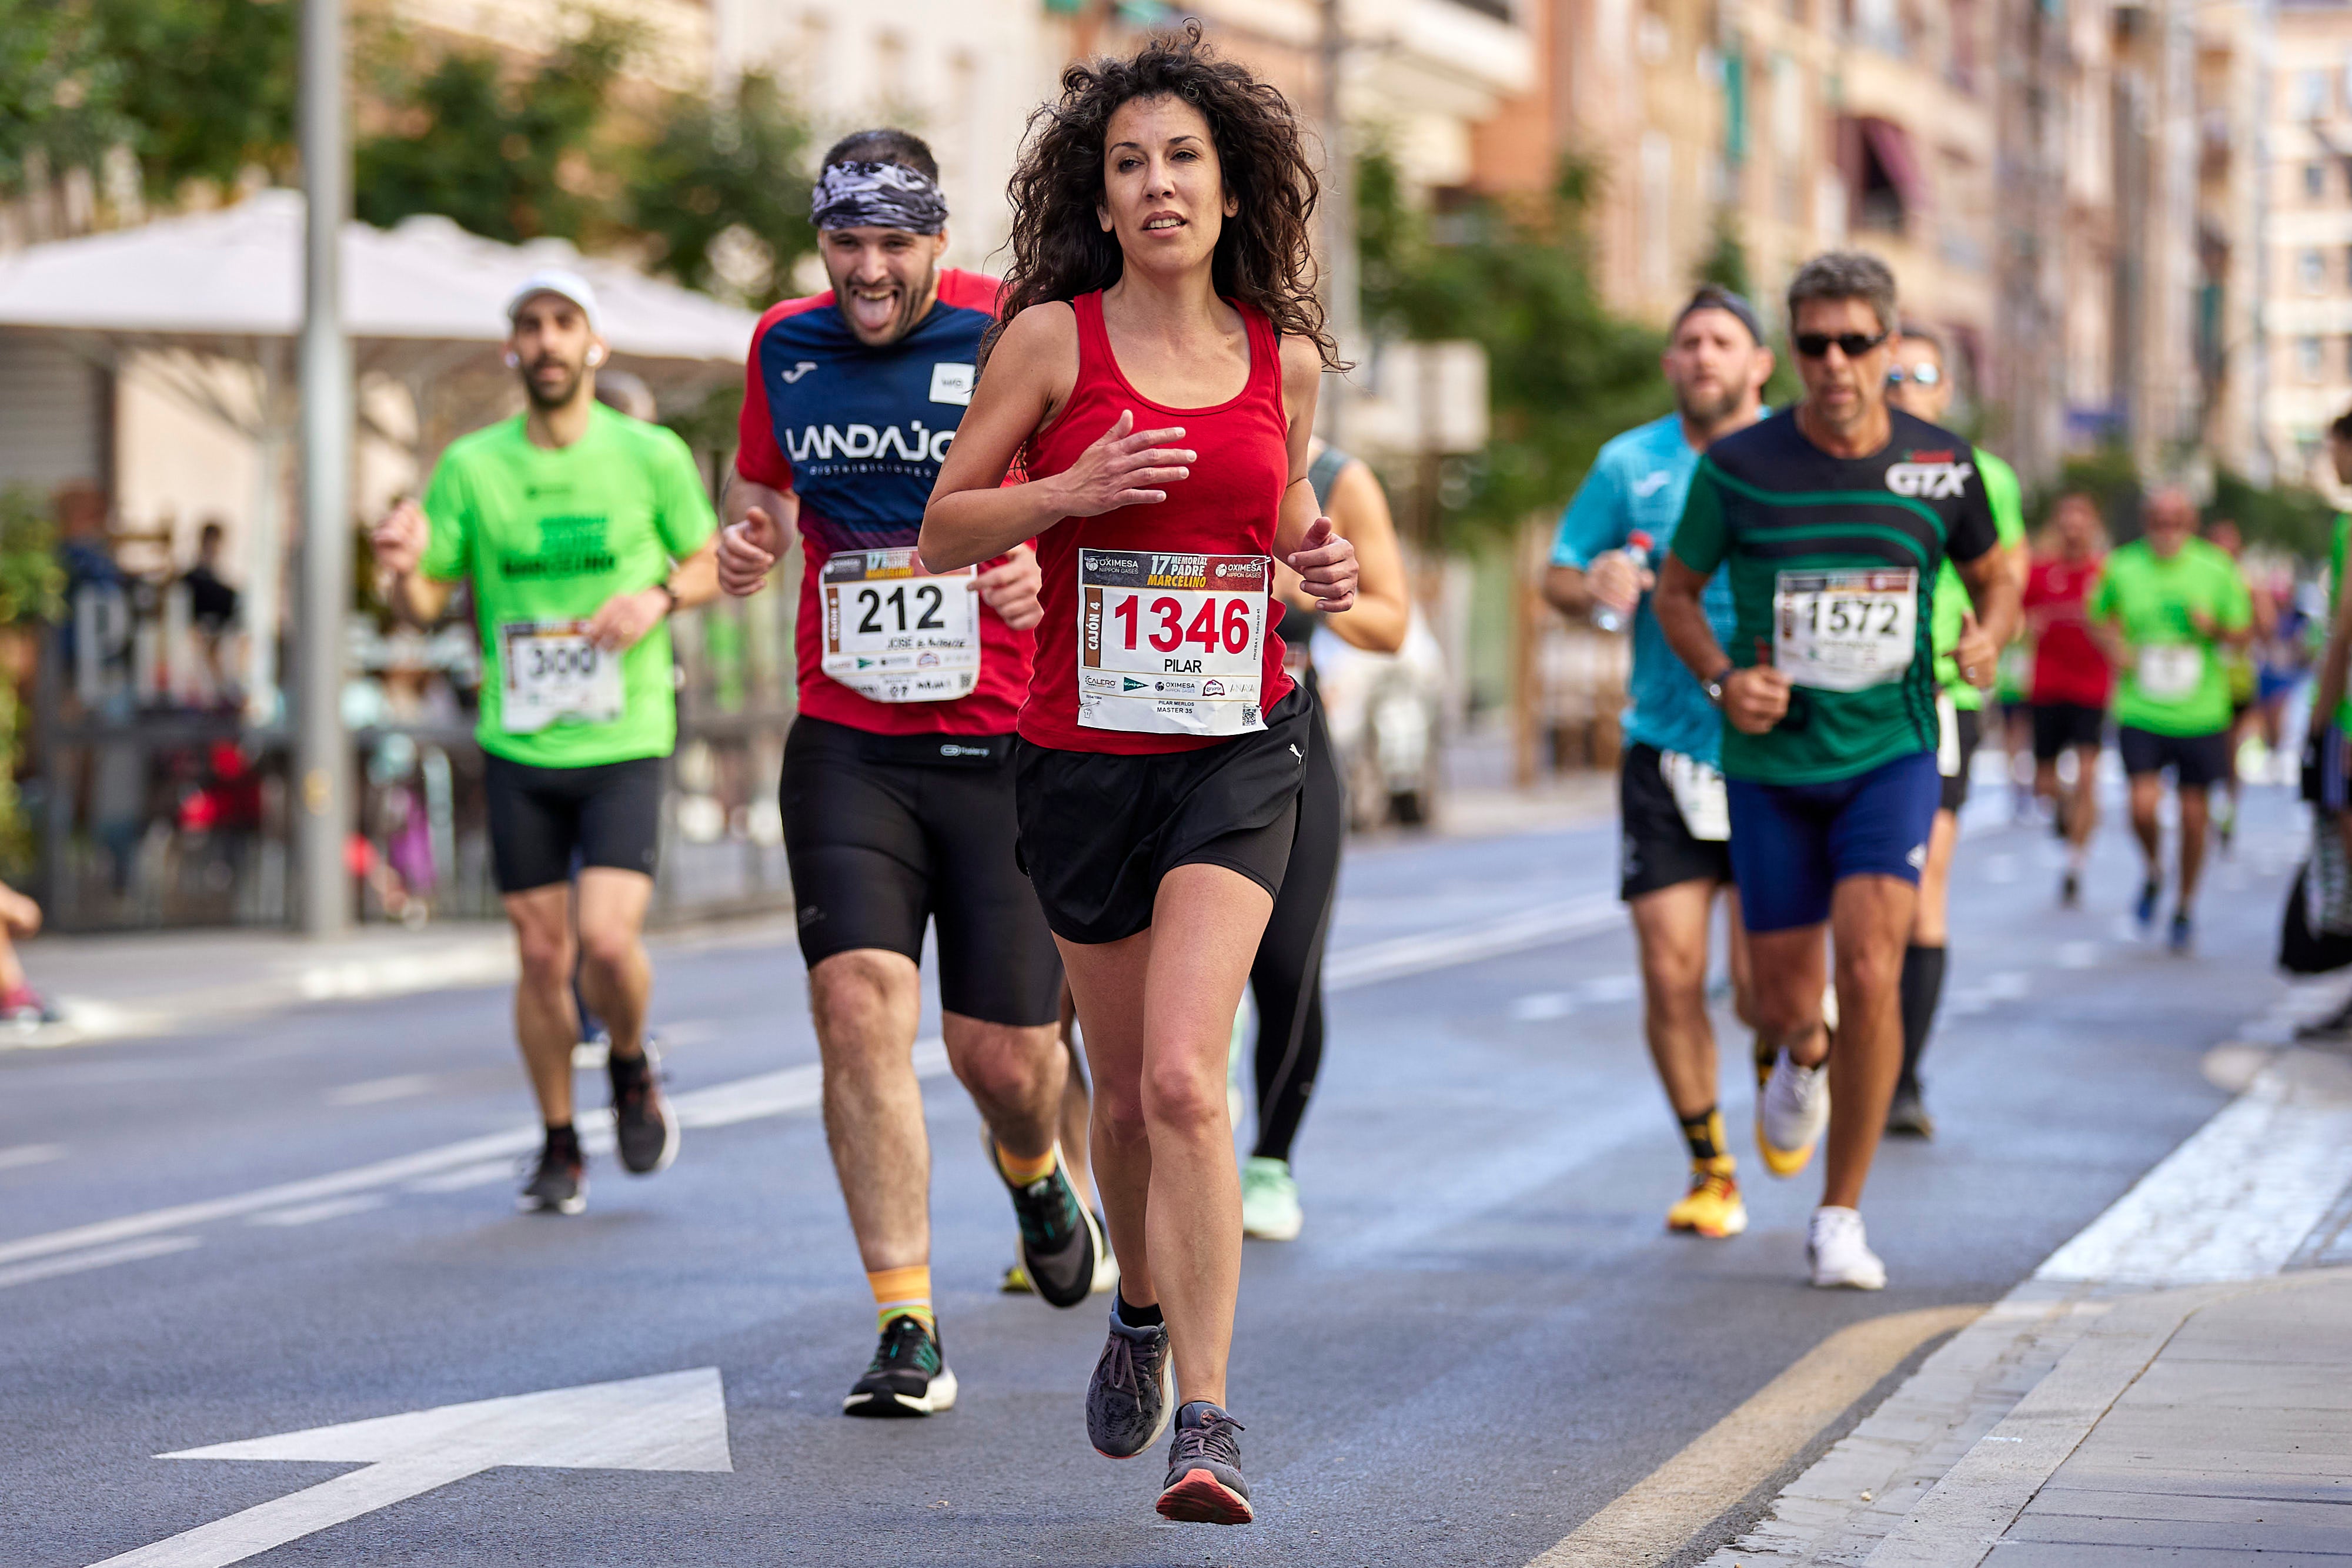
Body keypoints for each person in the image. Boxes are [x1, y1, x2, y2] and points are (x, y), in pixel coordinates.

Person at [920, 26, 1358, 1524]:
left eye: (1182, 158)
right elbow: (945, 530)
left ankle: (1211, 1422)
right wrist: (1067, 490)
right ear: (1100, 202)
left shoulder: (1281, 359)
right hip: (1082, 762)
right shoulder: (1052, 342)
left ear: (1229, 191)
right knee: (1116, 1104)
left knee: (1183, 1076)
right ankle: (1139, 1313)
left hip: (1236, 748)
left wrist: (1321, 555)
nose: (1157, 183)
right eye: (1128, 164)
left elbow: (1280, 524)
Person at [716, 129, 1100, 1419]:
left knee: (1000, 1053)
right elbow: (761, 491)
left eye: (893, 243)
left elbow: (1077, 495)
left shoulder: (1012, 329)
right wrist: (749, 541)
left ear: (938, 242)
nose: (869, 269)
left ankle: (1039, 1166)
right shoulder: (783, 343)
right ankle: (905, 1322)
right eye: (845, 242)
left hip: (1000, 739)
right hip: (847, 734)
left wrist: (1029, 555)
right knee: (859, 1008)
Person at [1651, 251, 2016, 1290]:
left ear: (1890, 346)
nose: (1836, 362)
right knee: (1782, 1002)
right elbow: (1678, 594)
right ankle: (1800, 1056)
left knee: (1871, 965)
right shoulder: (1741, 466)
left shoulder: (1945, 468)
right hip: (1770, 762)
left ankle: (1840, 1214)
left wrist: (1989, 638)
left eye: (1856, 341)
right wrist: (1726, 680)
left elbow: (2000, 580)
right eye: (1814, 343)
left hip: (1891, 754)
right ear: (1796, 349)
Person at [372, 269, 717, 1215]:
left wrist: (653, 598)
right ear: (511, 350)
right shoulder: (472, 466)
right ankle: (560, 1140)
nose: (549, 340)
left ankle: (632, 1058)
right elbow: (424, 598)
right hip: (520, 739)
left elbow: (708, 559)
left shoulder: (649, 455)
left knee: (606, 943)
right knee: (537, 951)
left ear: (594, 346)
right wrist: (400, 569)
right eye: (532, 325)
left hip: (624, 733)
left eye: (566, 323)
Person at [1544, 285, 1773, 1239]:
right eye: (1689, 342)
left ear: (1760, 363)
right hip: (1666, 746)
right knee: (1671, 970)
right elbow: (1559, 572)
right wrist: (1587, 583)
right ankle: (1713, 1166)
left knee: (1768, 989)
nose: (1705, 355)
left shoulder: (1794, 458)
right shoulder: (1628, 463)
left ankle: (1796, 1050)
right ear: (1671, 363)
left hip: (1776, 748)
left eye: (1724, 341)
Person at [1234, 438, 1409, 1241]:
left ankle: (1271, 1160)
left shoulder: (1337, 479)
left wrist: (1290, 580)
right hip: (1155, 735)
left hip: (1284, 736)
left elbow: (1390, 620)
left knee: (1287, 961)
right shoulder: (1146, 434)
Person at [1879, 324, 2028, 1139]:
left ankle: (1902, 1077)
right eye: (1891, 370)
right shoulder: (1839, 460)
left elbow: (2005, 576)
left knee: (1920, 881)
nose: (1903, 385)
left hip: (1935, 696)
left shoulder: (1977, 473)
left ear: (1947, 390)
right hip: (1838, 696)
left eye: (1922, 373)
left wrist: (1989, 638)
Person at [2087, 487, 2251, 952]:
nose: (2167, 530)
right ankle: (2156, 870)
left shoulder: (2216, 567)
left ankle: (2184, 902)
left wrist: (2214, 628)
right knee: (2141, 806)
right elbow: (2096, 615)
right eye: (2159, 521)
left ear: (2191, 523)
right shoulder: (2122, 565)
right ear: (2146, 522)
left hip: (2200, 710)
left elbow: (2243, 632)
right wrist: (2115, 648)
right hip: (2142, 705)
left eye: (2176, 521)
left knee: (2195, 816)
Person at [2023, 493, 2113, 906]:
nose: (2073, 529)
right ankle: (2066, 811)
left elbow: (2120, 621)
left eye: (2081, 521)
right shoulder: (2040, 572)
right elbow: (2014, 616)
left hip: (2092, 686)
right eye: (2066, 521)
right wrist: (2028, 626)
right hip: (2047, 685)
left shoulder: (2105, 573)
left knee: (2088, 775)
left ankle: (2075, 864)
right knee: (2044, 782)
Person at [2200, 516, 2276, 851]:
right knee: (2204, 748)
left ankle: (2227, 807)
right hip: (2198, 682)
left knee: (2230, 749)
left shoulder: (2247, 582)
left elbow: (2267, 627)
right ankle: (2201, 808)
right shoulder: (2197, 579)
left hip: (2236, 680)